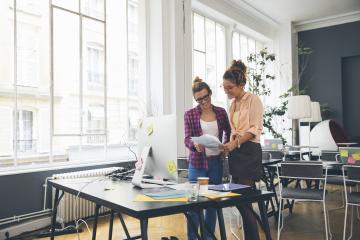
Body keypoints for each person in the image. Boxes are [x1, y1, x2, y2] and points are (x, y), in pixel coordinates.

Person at [184, 76, 231, 240]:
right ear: (195, 99)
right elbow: (187, 138)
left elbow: (228, 132)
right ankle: (192, 238)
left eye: (206, 97)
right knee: (194, 205)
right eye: (199, 99)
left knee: (212, 204)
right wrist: (194, 145)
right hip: (197, 166)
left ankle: (208, 237)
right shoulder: (190, 114)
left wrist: (225, 146)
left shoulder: (221, 112)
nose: (203, 101)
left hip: (215, 164)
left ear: (210, 94)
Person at [222, 60, 264, 240]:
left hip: (248, 151)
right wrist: (227, 145)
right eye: (224, 87)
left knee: (244, 200)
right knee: (240, 199)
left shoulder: (253, 100)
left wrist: (235, 143)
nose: (226, 91)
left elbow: (254, 128)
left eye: (230, 87)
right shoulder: (233, 105)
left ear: (241, 85)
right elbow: (234, 130)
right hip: (236, 153)